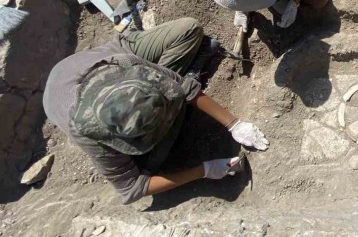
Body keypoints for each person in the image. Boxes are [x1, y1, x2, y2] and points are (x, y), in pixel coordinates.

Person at [43, 18, 269, 205]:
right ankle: (182, 86)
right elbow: (131, 189)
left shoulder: (124, 63)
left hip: (103, 59)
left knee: (188, 30)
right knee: (153, 163)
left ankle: (178, 90)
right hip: (67, 95)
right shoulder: (89, 134)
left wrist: (234, 124)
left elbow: (184, 87)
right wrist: (205, 170)